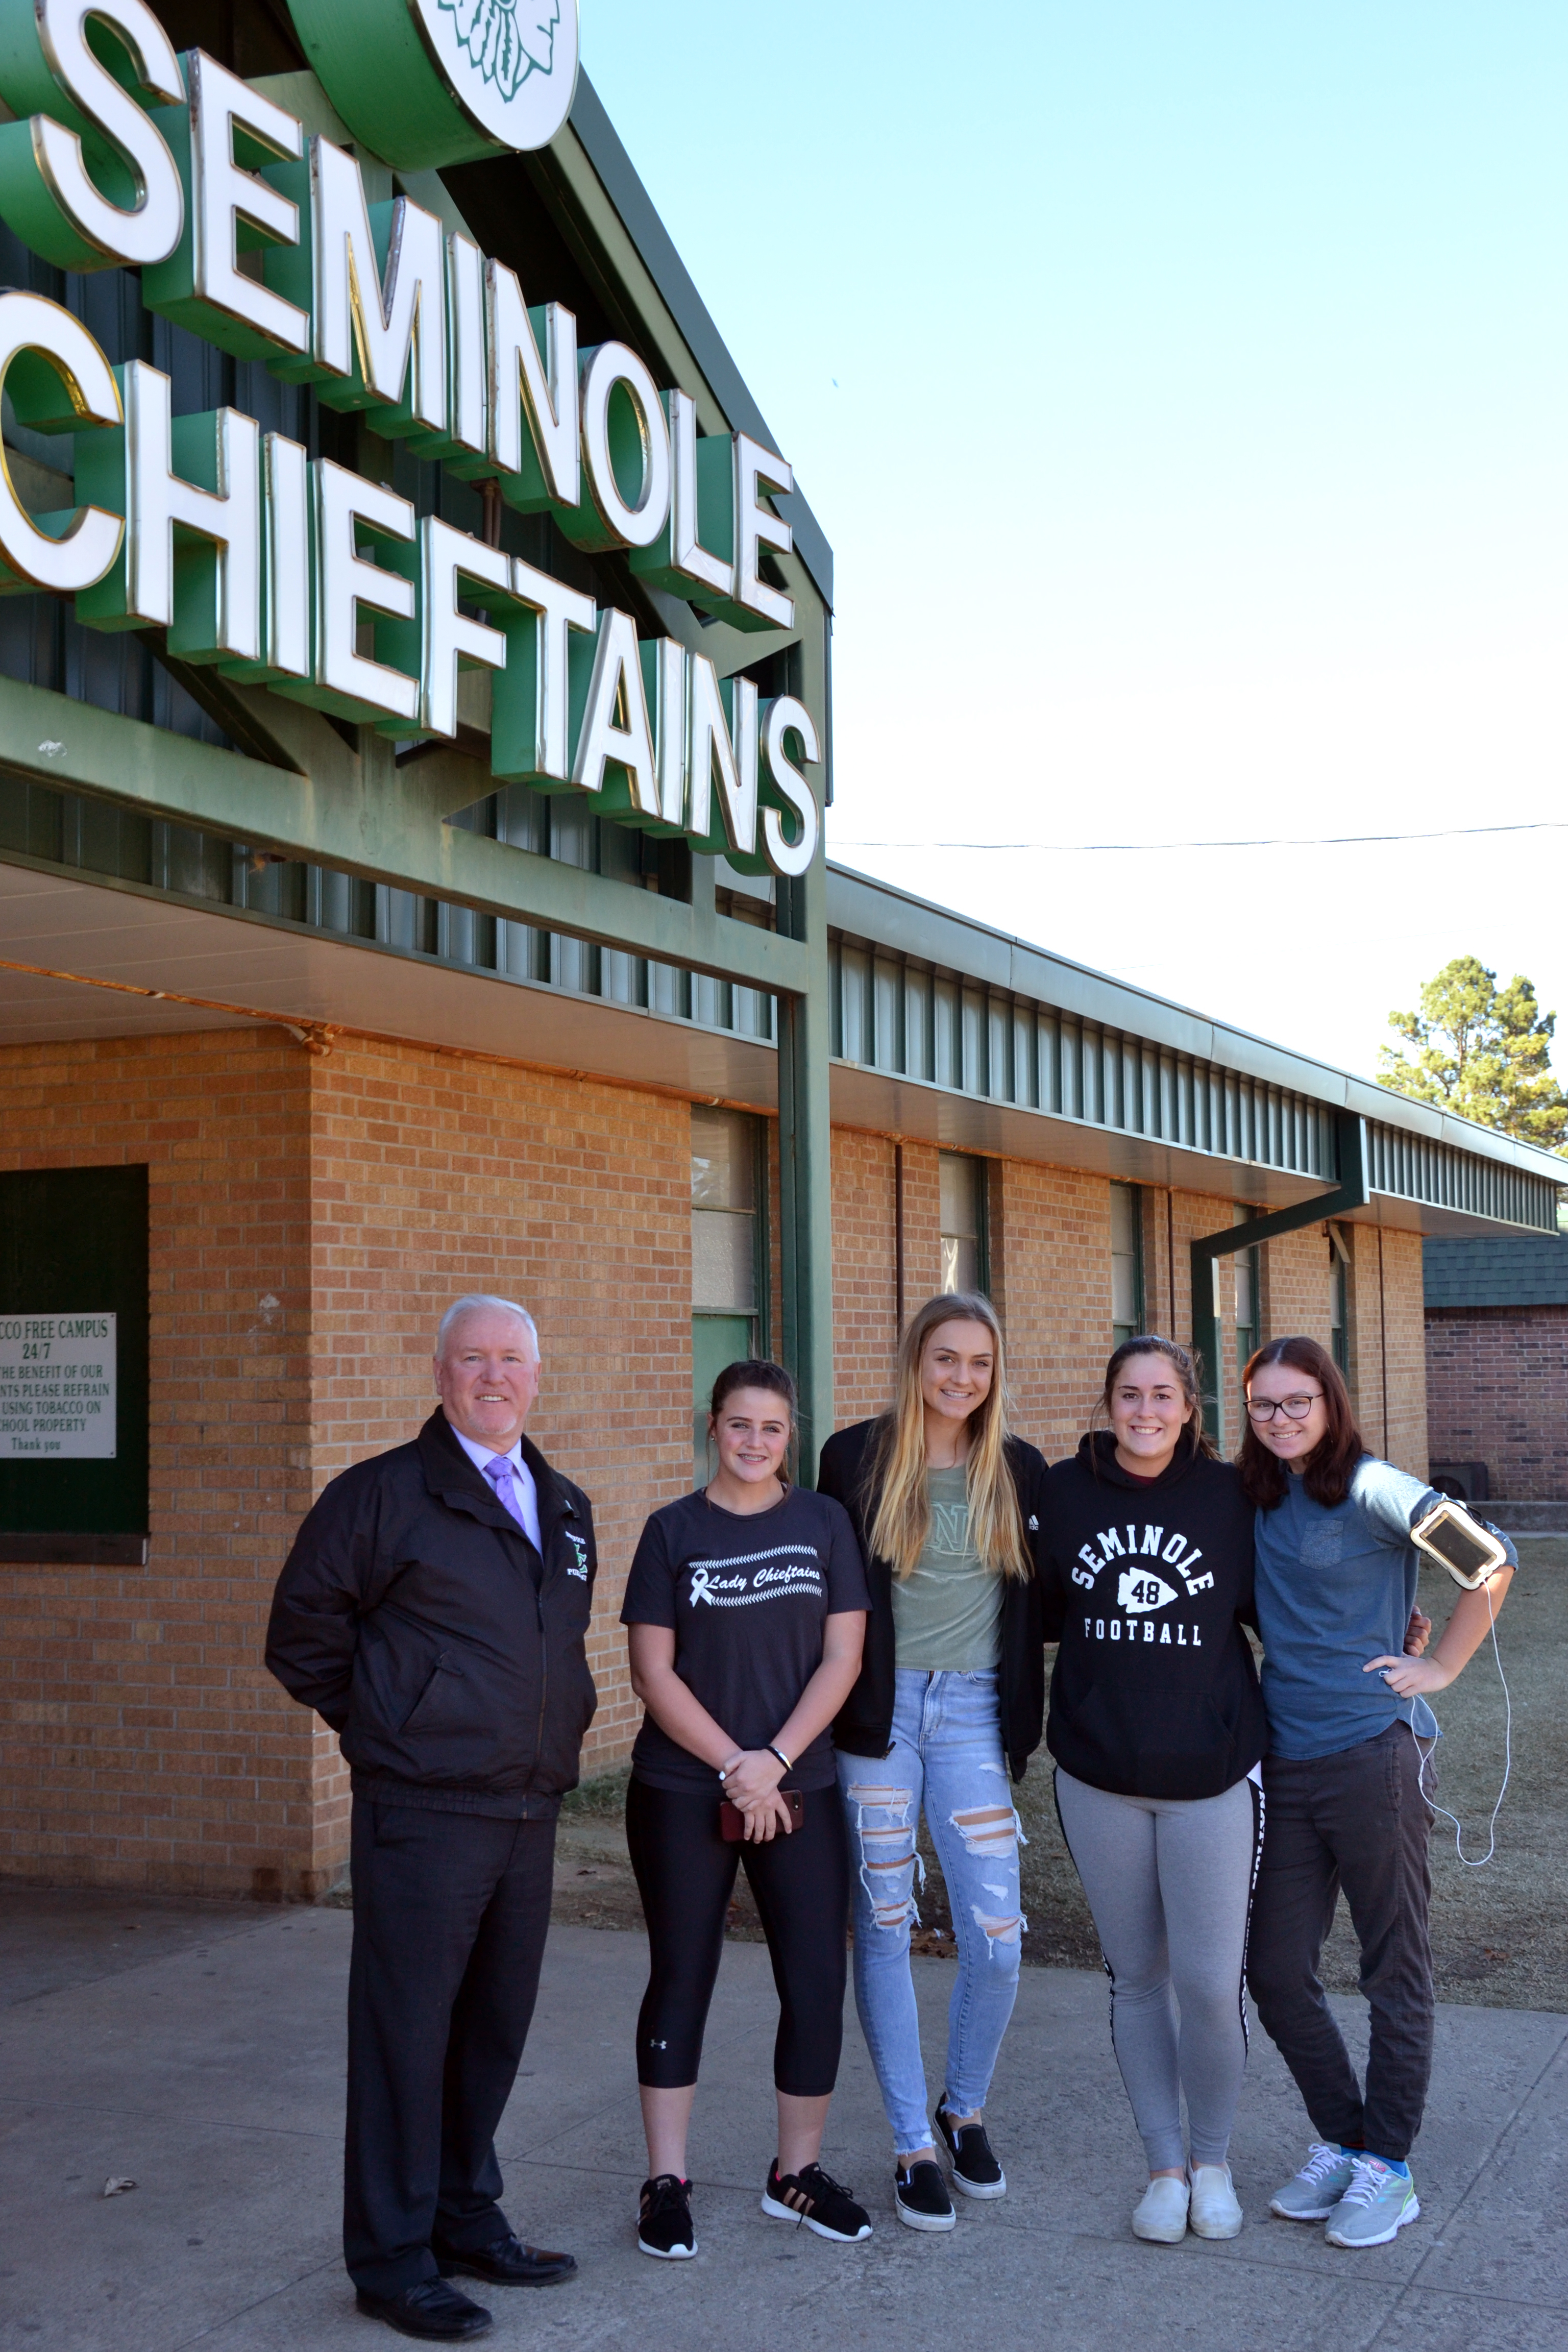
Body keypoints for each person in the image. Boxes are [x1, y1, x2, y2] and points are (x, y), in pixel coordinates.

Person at [266, 1295, 596, 2344]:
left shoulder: (567, 1500)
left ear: (538, 1375)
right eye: (472, 1359)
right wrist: (391, 1727)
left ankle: (464, 2215)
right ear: (440, 1371)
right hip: (423, 1811)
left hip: (528, 1809)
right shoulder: (380, 1498)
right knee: (407, 2037)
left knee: (492, 2031)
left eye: (511, 1359)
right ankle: (393, 2258)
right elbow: (300, 1635)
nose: (493, 1376)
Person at [1242, 1335, 1515, 2250]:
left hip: (1372, 1754)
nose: (1280, 1420)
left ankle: (1389, 2169)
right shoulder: (1259, 1493)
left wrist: (1437, 1663)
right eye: (1263, 1405)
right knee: (1275, 1970)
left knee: (1392, 1965)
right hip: (1285, 1757)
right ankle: (1347, 2139)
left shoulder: (1372, 1487)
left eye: (1296, 1402)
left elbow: (1490, 1560)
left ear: (1330, 1402)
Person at [621, 1359, 872, 2261]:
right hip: (684, 1788)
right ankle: (665, 2181)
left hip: (798, 1782)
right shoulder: (670, 1531)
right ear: (713, 1427)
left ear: (789, 1435)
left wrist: (774, 1761)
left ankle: (794, 2177)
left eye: (771, 1427)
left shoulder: (824, 1522)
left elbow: (841, 1658)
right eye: (738, 1425)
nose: (754, 1442)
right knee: (681, 1976)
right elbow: (653, 1673)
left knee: (812, 1981)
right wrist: (735, 1763)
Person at [819, 1291, 1047, 2232]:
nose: (961, 1378)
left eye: (980, 1363)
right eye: (945, 1359)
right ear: (915, 1360)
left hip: (974, 1719)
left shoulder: (1023, 1472)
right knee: (883, 1924)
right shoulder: (854, 1459)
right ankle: (913, 2142)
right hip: (880, 1717)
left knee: (998, 1936)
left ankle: (965, 2108)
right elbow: (817, 1589)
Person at [1038, 1334, 1264, 2246]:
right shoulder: (1061, 1490)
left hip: (1211, 1775)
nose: (1144, 1410)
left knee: (1211, 1985)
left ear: (1189, 1407)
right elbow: (1038, 1612)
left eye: (1162, 1394)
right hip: (1101, 1776)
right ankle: (1163, 2167)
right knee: (1138, 1979)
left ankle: (1214, 2160)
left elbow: (1282, 1600)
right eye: (1129, 1394)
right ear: (1109, 1402)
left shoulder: (1230, 1495)